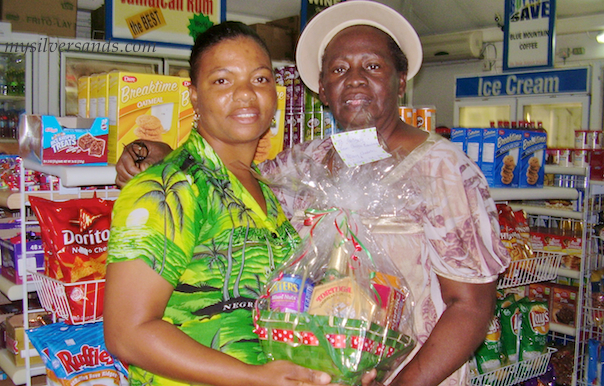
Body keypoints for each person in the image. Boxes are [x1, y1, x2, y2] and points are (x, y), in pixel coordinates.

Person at [114, 2, 511, 386]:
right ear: (322, 88)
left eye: (373, 66)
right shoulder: (300, 166)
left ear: (401, 80)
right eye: (339, 69)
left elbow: (471, 306)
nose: (355, 78)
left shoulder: (443, 170)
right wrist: (165, 155)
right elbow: (220, 170)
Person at [104, 21, 364, 386]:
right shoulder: (169, 187)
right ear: (194, 95)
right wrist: (253, 376)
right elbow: (126, 333)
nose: (245, 94)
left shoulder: (265, 187)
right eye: (223, 81)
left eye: (259, 79)